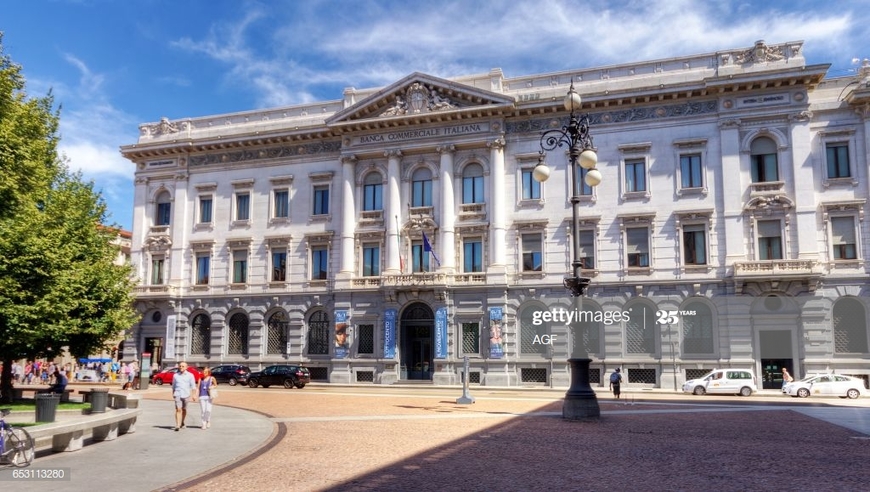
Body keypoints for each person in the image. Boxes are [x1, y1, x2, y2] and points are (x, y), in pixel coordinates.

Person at [171, 362, 197, 431]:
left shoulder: (190, 375)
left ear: (186, 367)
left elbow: (193, 386)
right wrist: (173, 393)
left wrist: (194, 395)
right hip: (178, 394)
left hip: (186, 394)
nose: (181, 367)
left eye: (183, 366)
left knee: (184, 409)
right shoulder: (175, 375)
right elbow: (173, 385)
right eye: (180, 366)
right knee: (178, 409)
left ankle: (182, 421)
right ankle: (177, 425)